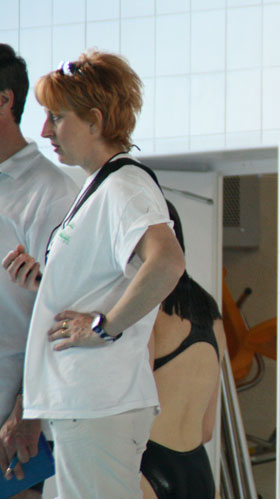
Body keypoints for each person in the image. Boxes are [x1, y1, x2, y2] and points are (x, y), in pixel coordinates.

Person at [2, 50, 185, 498]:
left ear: (94, 121)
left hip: (99, 400)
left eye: (57, 117)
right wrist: (45, 283)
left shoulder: (124, 184)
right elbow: (102, 281)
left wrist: (104, 326)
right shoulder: (99, 187)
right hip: (83, 401)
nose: (45, 131)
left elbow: (167, 262)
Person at [0, 44, 77, 498]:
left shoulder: (52, 193)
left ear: (4, 100)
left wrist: (27, 410)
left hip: (13, 411)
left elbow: (58, 312)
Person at [140, 200, 226, 499]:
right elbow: (207, 429)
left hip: (148, 464)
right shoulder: (210, 311)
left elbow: (134, 402)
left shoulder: (145, 304)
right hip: (198, 470)